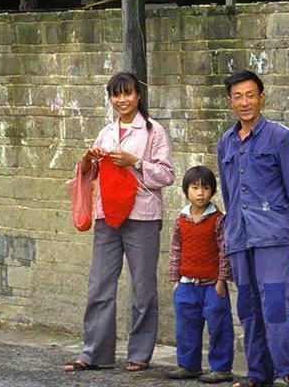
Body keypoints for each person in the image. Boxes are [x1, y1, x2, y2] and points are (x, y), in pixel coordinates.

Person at [63, 72, 175, 373]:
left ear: (138, 95)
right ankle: (94, 353)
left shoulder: (154, 132)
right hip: (107, 216)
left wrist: (135, 161)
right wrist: (88, 159)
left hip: (143, 217)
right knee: (99, 285)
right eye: (116, 95)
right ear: (111, 98)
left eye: (127, 93)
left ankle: (139, 353)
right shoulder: (107, 132)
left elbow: (167, 175)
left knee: (143, 288)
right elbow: (90, 172)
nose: (122, 100)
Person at [217, 70, 289, 387]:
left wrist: (283, 226)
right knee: (248, 308)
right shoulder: (225, 143)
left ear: (261, 97)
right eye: (238, 96)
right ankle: (258, 372)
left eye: (250, 95)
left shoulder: (281, 137)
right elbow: (228, 192)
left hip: (272, 236)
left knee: (275, 305)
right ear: (230, 101)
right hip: (240, 237)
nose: (245, 102)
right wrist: (233, 228)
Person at [167, 165, 234, 384]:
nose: (200, 193)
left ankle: (221, 368)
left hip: (213, 285)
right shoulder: (181, 219)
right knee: (185, 328)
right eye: (195, 188)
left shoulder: (218, 219)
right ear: (186, 190)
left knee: (219, 328)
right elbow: (176, 250)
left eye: (205, 188)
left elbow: (225, 252)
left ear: (212, 192)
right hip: (186, 285)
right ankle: (188, 366)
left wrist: (222, 281)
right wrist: (175, 280)